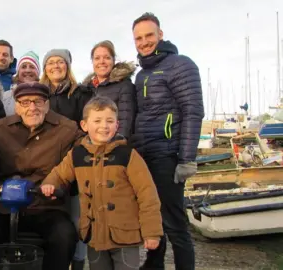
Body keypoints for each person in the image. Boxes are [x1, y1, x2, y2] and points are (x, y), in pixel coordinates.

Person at [41, 96, 163, 270]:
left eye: (109, 121)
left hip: (125, 236)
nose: (104, 126)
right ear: (84, 126)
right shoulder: (77, 155)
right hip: (94, 235)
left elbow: (147, 194)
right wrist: (50, 184)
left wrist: (152, 232)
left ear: (117, 125)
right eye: (97, 120)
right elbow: (58, 174)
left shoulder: (128, 155)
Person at [131, 12, 204, 270]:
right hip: (146, 155)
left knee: (174, 223)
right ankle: (154, 265)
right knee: (153, 218)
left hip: (168, 154)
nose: (144, 42)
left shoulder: (180, 64)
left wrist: (186, 159)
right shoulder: (141, 74)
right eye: (138, 38)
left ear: (160, 35)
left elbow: (193, 111)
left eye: (149, 35)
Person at [0, 82, 83, 270]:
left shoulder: (66, 129)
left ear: (47, 104)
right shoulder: (0, 129)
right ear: (16, 106)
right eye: (25, 102)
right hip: (5, 204)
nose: (32, 108)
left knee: (64, 236)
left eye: (38, 101)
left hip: (46, 204)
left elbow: (88, 146)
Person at [40, 48, 93, 269]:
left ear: (68, 66)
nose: (55, 66)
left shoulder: (81, 93)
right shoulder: (40, 96)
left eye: (60, 62)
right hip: (46, 163)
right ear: (45, 68)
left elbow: (87, 129)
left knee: (77, 219)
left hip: (74, 163)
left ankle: (78, 263)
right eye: (50, 62)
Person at [82, 40, 137, 138]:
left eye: (107, 58)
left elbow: (126, 121)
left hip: (114, 146)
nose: (101, 62)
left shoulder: (124, 85)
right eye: (97, 58)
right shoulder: (86, 88)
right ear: (92, 61)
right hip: (91, 146)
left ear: (113, 60)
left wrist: (117, 145)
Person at [2, 50, 41, 115]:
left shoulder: (46, 95)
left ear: (38, 72)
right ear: (18, 72)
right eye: (23, 67)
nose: (28, 70)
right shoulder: (6, 97)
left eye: (32, 67)